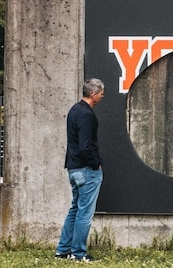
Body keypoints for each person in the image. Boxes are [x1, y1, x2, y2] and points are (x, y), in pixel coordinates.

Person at [55, 78, 105, 262]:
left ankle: (62, 250)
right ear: (93, 94)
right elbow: (85, 146)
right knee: (84, 212)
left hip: (73, 168)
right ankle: (78, 253)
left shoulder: (74, 110)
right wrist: (95, 164)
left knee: (75, 209)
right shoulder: (87, 115)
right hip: (86, 171)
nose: (102, 97)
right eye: (101, 94)